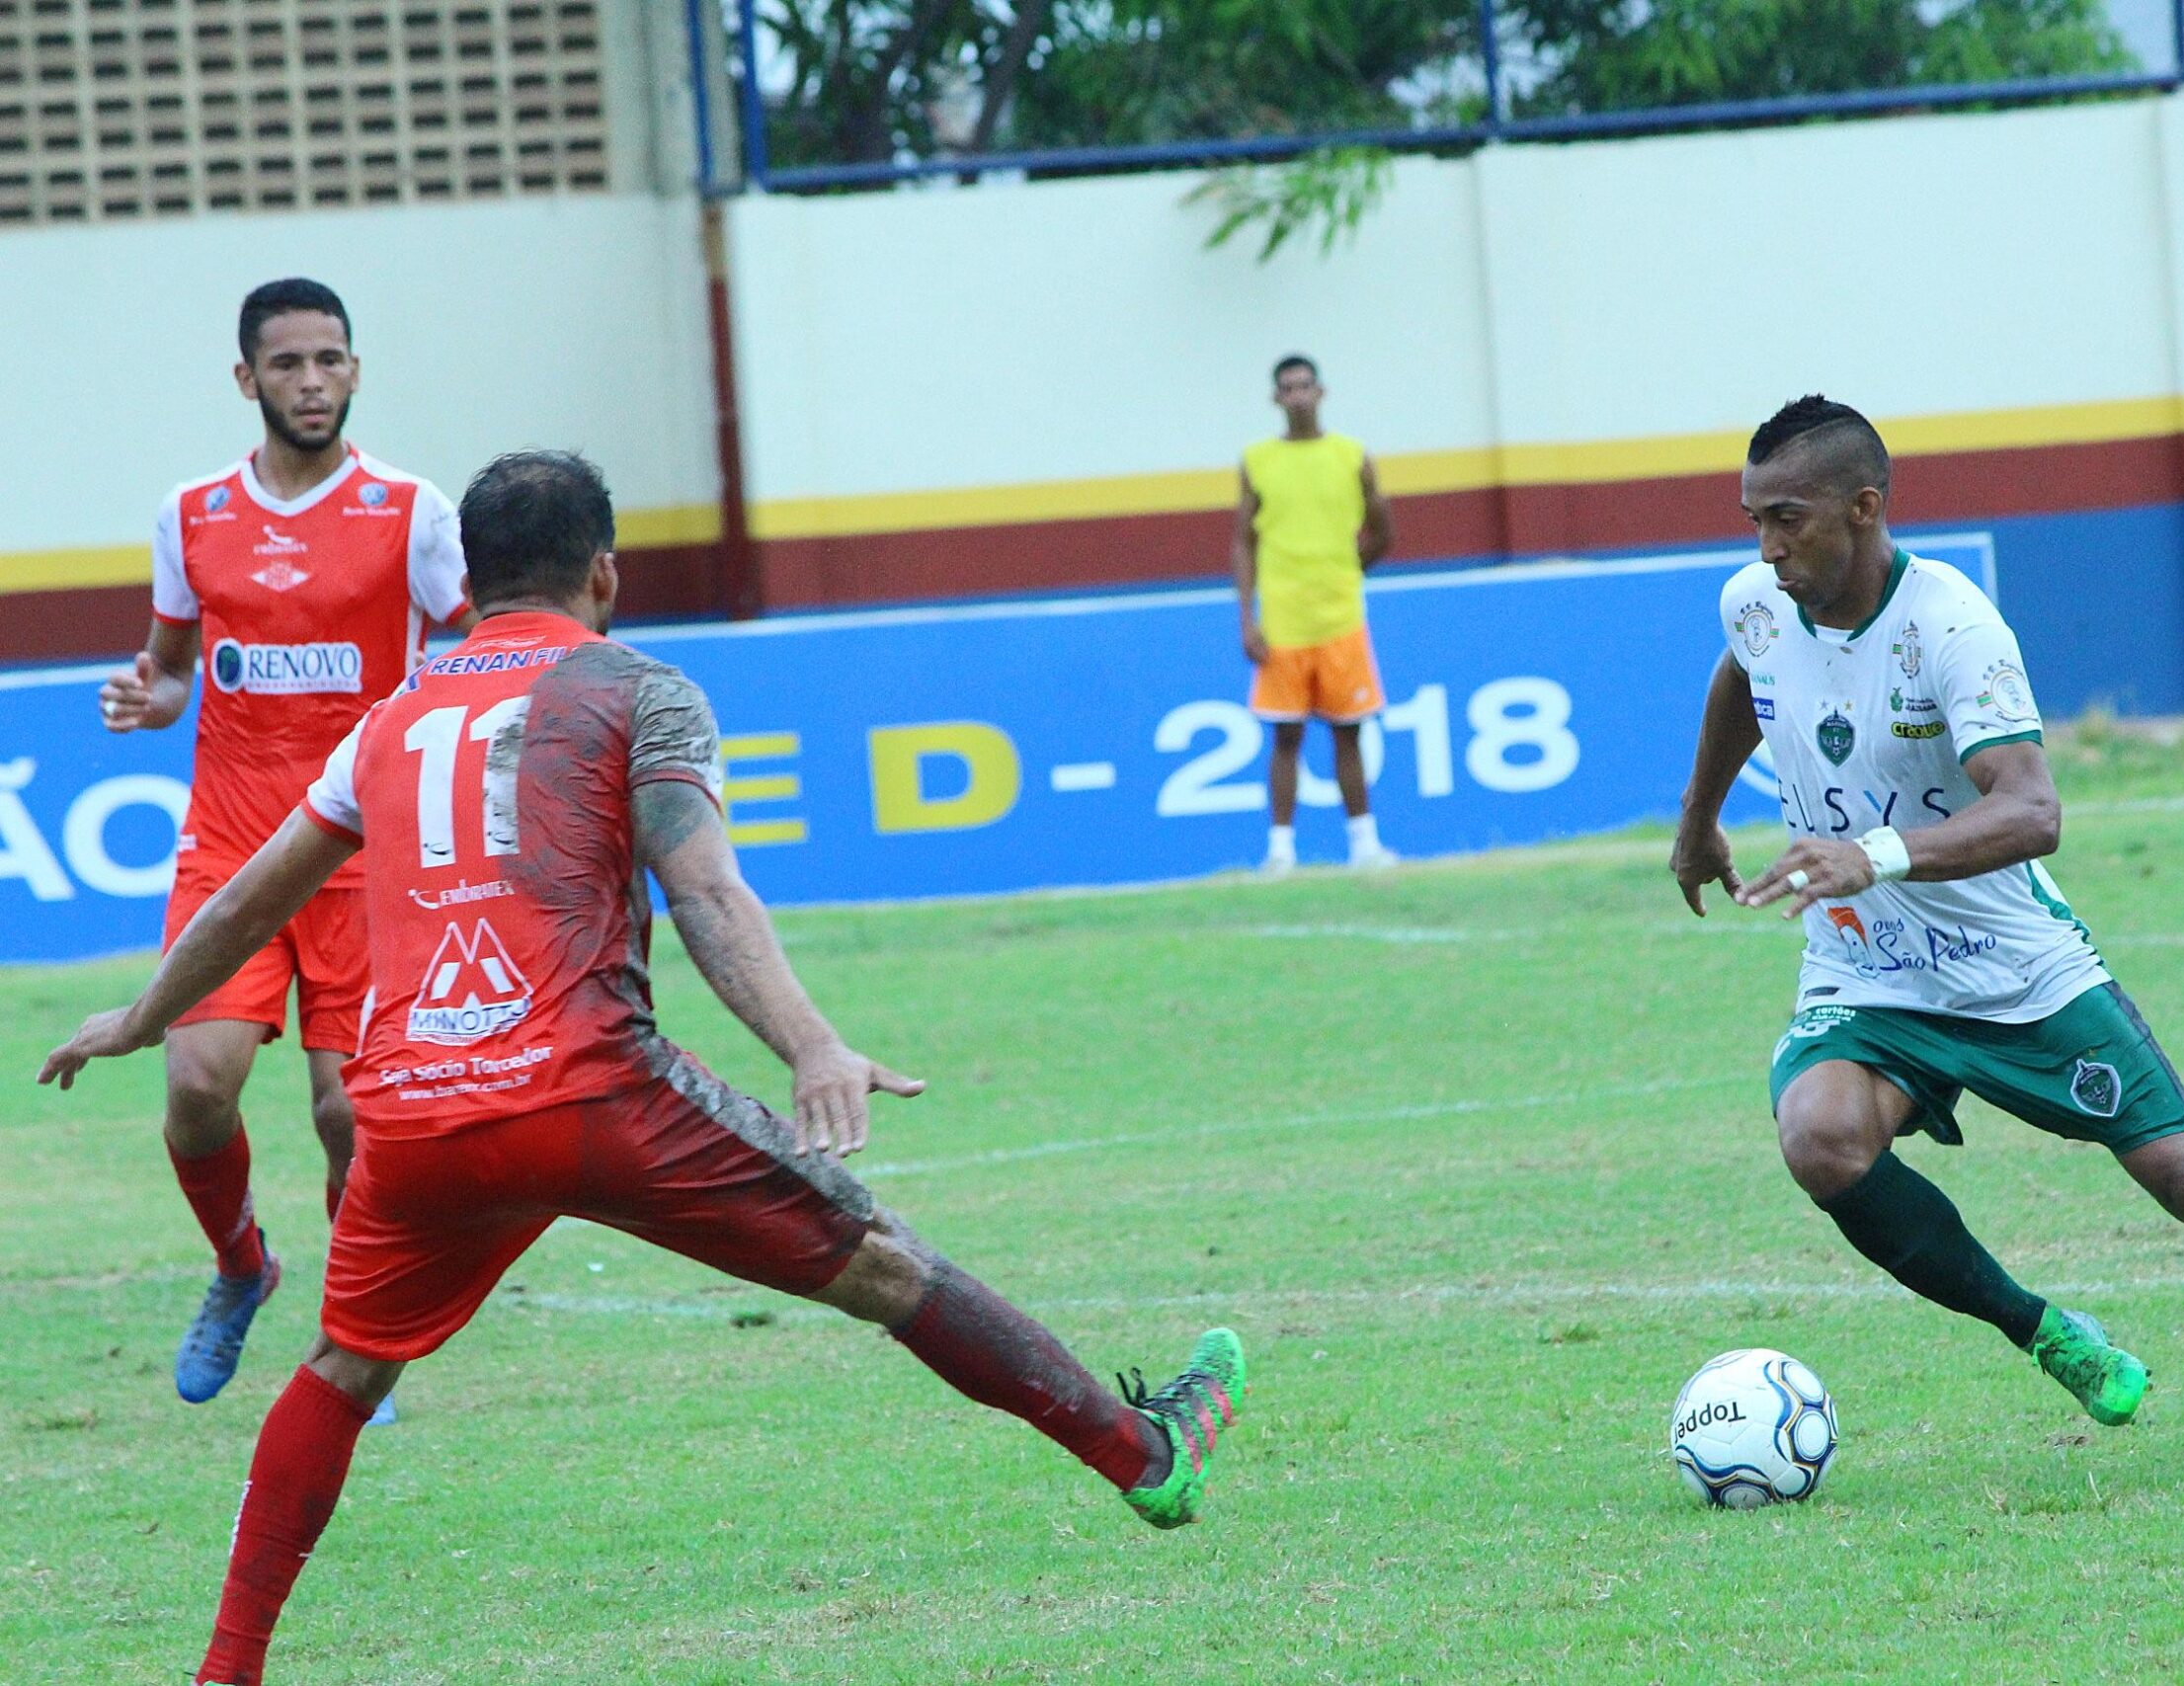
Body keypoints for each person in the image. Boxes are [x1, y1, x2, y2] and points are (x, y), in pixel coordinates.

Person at [42, 449, 1246, 1686]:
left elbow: (246, 904)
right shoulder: (638, 689)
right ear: (604, 573)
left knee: (346, 1368)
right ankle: (1145, 1455)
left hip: (417, 1118)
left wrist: (142, 1017)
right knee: (885, 1267)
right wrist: (810, 1043)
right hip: (592, 1093)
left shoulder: (388, 721)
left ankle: (224, 1670)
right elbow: (706, 885)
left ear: (472, 584)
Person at [1665, 394, 2184, 1470]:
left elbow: (2033, 808)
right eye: (1753, 519)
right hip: (1866, 970)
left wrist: (1879, 851)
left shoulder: (1950, 627)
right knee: (1818, 1138)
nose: (1764, 548)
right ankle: (2048, 1333)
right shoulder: (1757, 602)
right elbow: (1744, 676)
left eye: (1787, 520)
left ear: (1863, 509)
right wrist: (1697, 824)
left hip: (2015, 973)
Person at [102, 277, 473, 1414]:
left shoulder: (412, 510)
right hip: (230, 849)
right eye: (288, 364)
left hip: (365, 855)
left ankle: (358, 1326)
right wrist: (149, 697)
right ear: (247, 379)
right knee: (198, 1088)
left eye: (330, 360)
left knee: (350, 1112)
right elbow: (171, 666)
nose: (312, 382)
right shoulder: (192, 513)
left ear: (354, 371)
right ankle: (241, 1267)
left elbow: (476, 646)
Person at [1233, 354, 1398, 874]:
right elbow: (1243, 542)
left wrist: (1349, 571)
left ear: (1321, 392)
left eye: (1306, 386)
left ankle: (1364, 845)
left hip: (1340, 621)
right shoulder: (1258, 460)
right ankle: (1280, 851)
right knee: (1286, 737)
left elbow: (1383, 528)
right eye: (1288, 388)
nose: (1299, 396)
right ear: (1275, 399)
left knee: (1348, 733)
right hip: (1283, 623)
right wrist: (1247, 617)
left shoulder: (1350, 456)